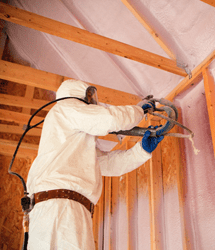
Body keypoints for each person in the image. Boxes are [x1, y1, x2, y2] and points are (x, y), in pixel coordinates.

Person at [26, 79, 164, 249]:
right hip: (59, 207)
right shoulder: (65, 108)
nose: (92, 101)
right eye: (90, 96)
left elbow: (106, 164)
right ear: (78, 95)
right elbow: (109, 119)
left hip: (66, 207)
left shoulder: (75, 141)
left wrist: (141, 151)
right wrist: (139, 110)